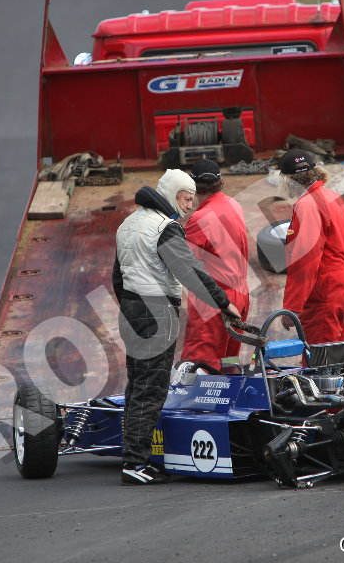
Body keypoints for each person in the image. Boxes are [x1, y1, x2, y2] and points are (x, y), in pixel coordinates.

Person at [112, 169, 241, 485]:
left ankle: (134, 457)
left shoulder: (128, 224)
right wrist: (224, 303)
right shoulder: (164, 227)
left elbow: (118, 276)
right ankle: (134, 463)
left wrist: (130, 306)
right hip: (156, 312)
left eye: (191, 200)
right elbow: (190, 272)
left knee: (138, 383)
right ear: (171, 195)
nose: (189, 206)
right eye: (185, 199)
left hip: (132, 309)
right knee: (152, 387)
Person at [277, 149, 344, 345]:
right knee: (333, 359)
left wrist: (292, 306)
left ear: (288, 181)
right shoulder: (333, 197)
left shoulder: (307, 205)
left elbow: (306, 259)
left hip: (325, 294)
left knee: (318, 359)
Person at [180, 159, 250, 364]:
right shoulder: (233, 204)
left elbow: (184, 264)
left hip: (214, 301)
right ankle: (228, 382)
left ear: (193, 186)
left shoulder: (200, 218)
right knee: (229, 358)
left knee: (200, 364)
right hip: (240, 296)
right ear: (220, 182)